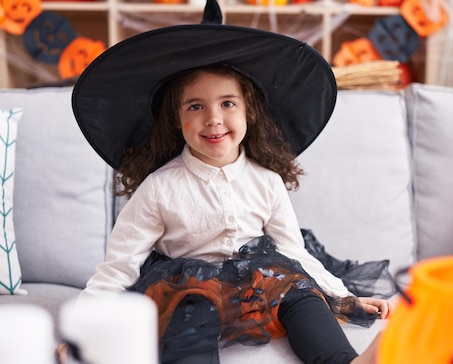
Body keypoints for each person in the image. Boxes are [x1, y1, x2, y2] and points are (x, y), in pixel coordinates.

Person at [69, 0, 393, 363]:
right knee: (190, 309)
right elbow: (118, 266)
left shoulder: (266, 182)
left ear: (248, 111)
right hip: (189, 291)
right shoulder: (159, 188)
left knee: (300, 291)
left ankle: (343, 360)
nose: (213, 119)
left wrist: (343, 297)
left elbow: (294, 251)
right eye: (195, 106)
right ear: (176, 120)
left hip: (258, 288)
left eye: (227, 103)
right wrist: (82, 329)